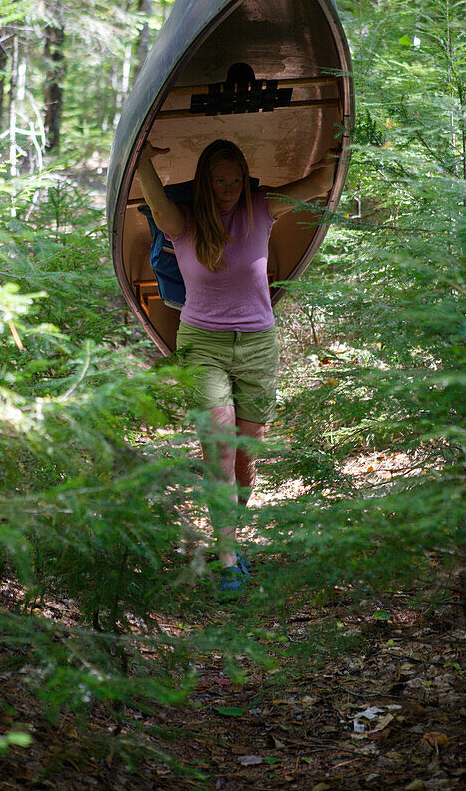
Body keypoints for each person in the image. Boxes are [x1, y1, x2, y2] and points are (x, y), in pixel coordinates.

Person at [136, 138, 335, 594]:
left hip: (259, 345)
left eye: (234, 180)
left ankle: (233, 534)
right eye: (218, 180)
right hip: (202, 346)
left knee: (246, 457)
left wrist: (341, 139)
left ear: (245, 181)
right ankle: (227, 557)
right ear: (204, 182)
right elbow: (152, 196)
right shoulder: (181, 223)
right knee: (221, 448)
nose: (227, 189)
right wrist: (142, 158)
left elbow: (322, 181)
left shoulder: (262, 209)